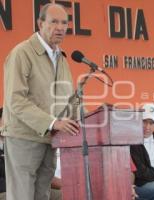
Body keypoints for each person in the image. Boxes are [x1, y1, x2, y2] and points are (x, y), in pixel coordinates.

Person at [2, 3, 80, 200]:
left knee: (42, 196)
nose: (60, 27)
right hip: (23, 139)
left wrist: (84, 119)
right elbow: (15, 100)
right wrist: (53, 123)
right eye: (54, 22)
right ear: (40, 23)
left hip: (50, 140)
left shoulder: (62, 59)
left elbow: (69, 100)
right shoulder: (22, 53)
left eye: (64, 22)